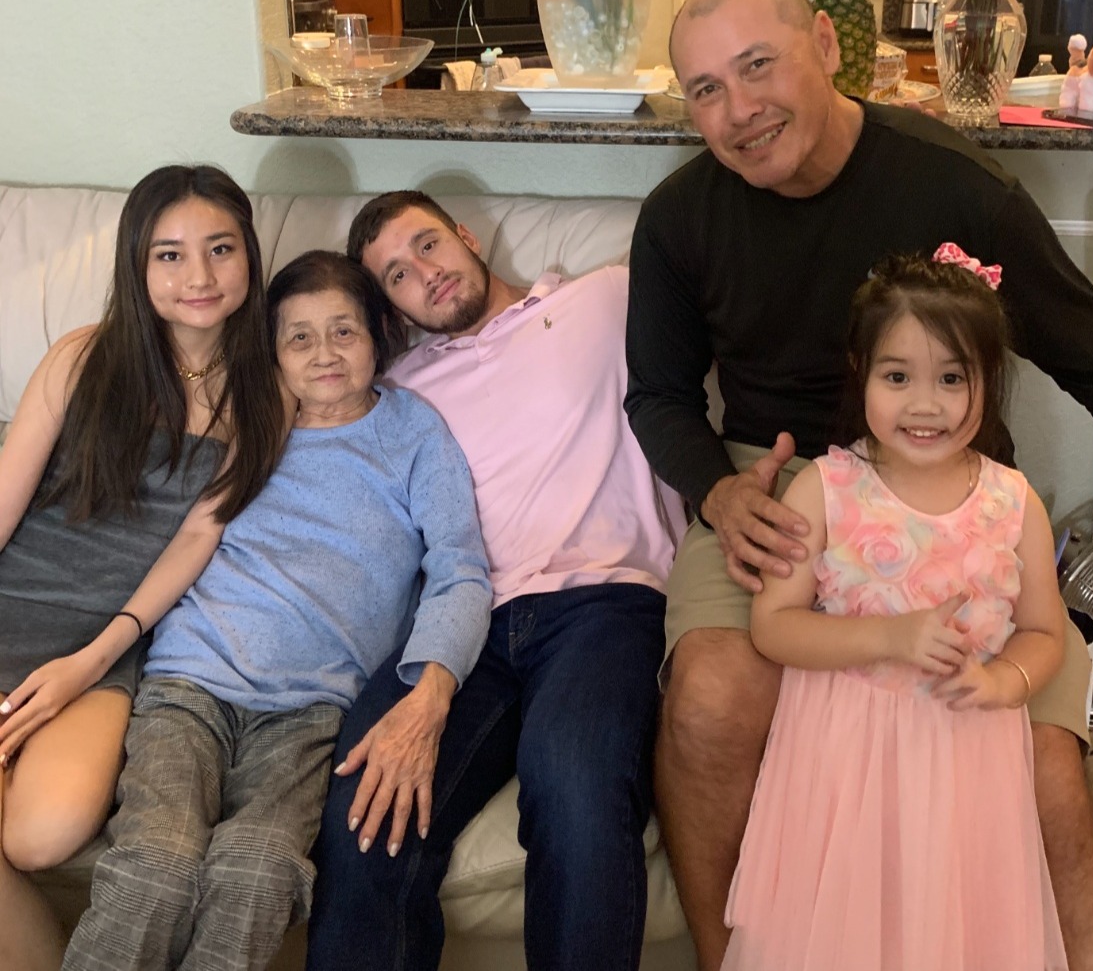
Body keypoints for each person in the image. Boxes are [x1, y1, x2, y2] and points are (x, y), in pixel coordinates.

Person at [626, 0, 1093, 971]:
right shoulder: (679, 217)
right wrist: (715, 489)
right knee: (711, 701)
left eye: (758, 65)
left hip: (952, 492)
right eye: (705, 88)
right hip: (774, 485)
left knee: (1048, 773)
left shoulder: (956, 186)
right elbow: (659, 395)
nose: (737, 109)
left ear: (827, 46)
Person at [63, 250, 492, 971]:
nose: (324, 354)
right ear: (272, 352)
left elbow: (460, 568)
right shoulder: (253, 421)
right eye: (299, 337)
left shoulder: (414, 432)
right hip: (190, 685)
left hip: (311, 711)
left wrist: (431, 685)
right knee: (158, 865)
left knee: (259, 869)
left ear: (379, 337)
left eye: (344, 331)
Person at [305, 192, 686, 971]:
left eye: (428, 244)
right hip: (464, 622)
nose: (425, 274)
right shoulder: (397, 392)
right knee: (363, 805)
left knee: (574, 779)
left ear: (466, 236)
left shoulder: (603, 300)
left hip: (604, 601)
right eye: (397, 275)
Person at [722, 249, 1067, 971]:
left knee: (948, 933)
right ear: (861, 372)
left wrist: (1004, 681)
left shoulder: (1013, 501)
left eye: (952, 378)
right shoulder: (827, 487)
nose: (925, 404)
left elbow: (1043, 631)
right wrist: (891, 636)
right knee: (846, 934)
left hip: (967, 760)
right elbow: (774, 624)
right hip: (844, 763)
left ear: (988, 379)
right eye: (898, 376)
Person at [0, 165, 282, 971]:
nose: (199, 275)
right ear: (137, 263)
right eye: (169, 254)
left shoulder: (267, 393)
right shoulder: (82, 356)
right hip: (12, 604)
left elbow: (196, 540)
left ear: (250, 254)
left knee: (39, 837)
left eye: (220, 248)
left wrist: (90, 661)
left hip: (103, 649)